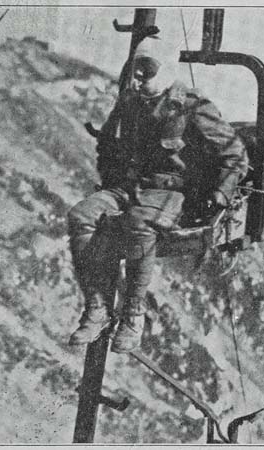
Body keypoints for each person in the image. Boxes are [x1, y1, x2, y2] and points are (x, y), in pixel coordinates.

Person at [67, 37, 248, 353]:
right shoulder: (129, 103)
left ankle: (132, 314)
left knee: (138, 224)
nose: (138, 79)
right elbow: (107, 143)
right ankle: (97, 306)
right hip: (128, 187)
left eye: (146, 72)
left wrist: (220, 194)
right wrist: (111, 178)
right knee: (81, 216)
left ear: (166, 72)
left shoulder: (191, 107)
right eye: (136, 71)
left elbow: (235, 154)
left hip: (171, 192)